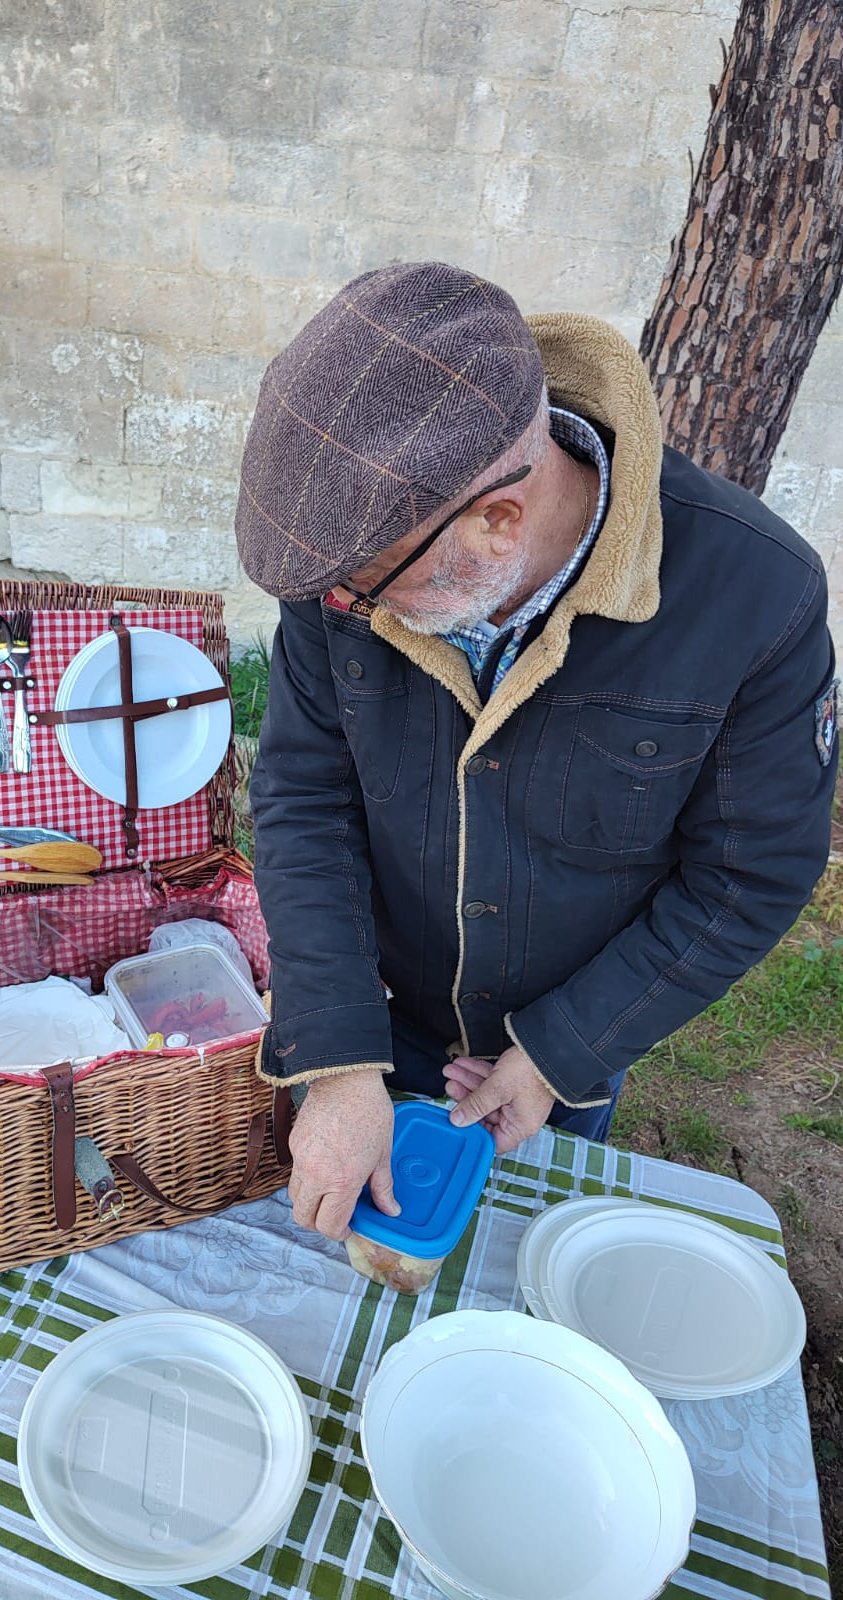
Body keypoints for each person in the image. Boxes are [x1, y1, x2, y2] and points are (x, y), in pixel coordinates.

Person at [234, 261, 838, 1243]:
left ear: (497, 521)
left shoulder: (759, 598)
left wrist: (563, 1051)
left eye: (365, 590)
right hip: (376, 1003)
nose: (340, 608)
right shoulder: (357, 554)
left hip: (574, 1041)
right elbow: (307, 795)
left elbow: (750, 875)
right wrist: (338, 1059)